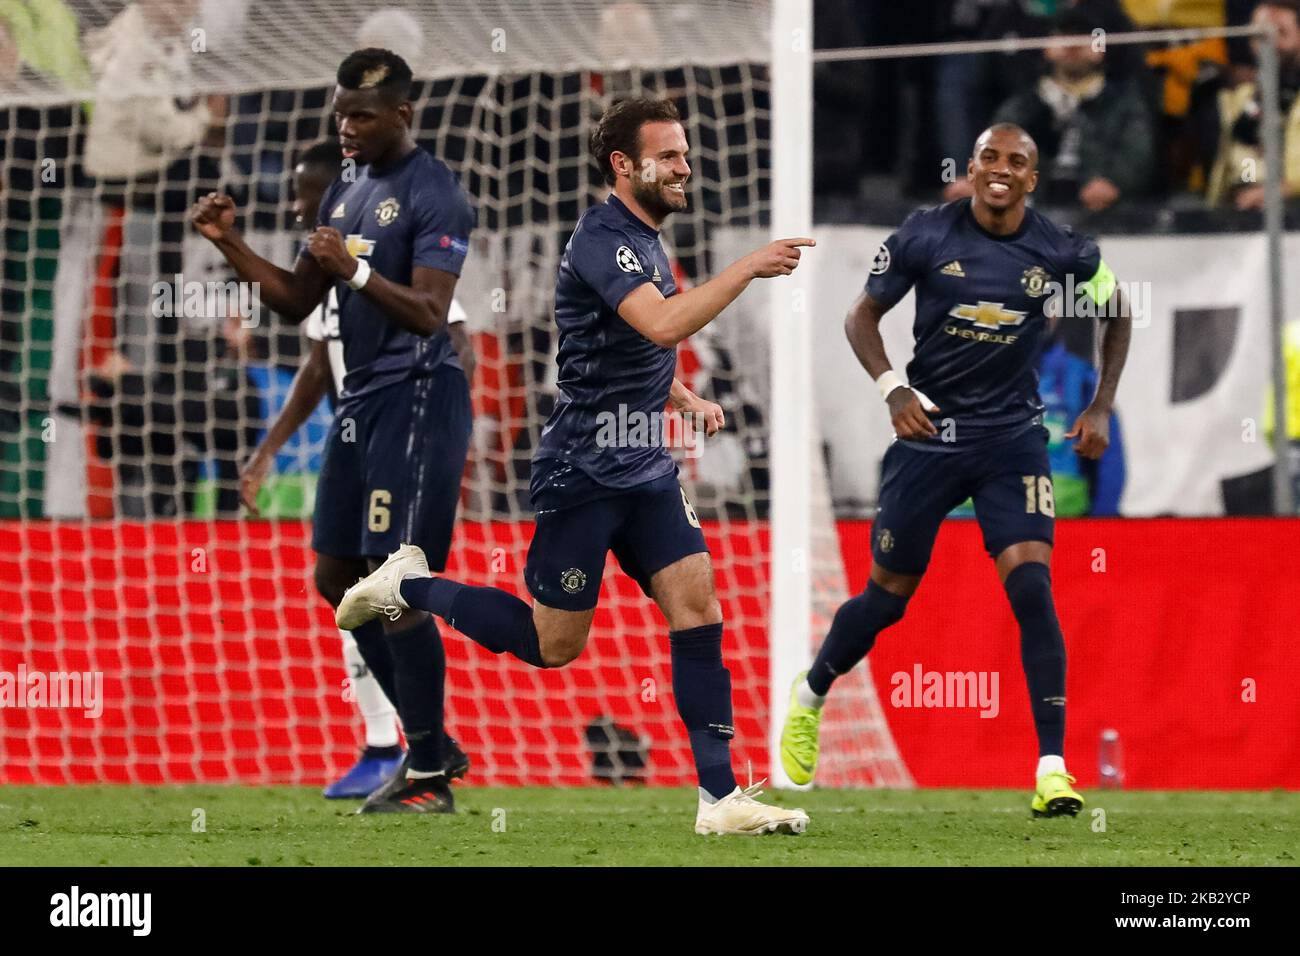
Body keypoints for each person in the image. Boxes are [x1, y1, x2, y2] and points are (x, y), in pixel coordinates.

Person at [337, 96, 813, 835]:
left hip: (647, 466)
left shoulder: (647, 238)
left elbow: (628, 339)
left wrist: (679, 393)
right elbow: (660, 321)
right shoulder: (604, 236)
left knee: (698, 605)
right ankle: (412, 582)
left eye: (686, 153)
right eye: (670, 156)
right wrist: (747, 267)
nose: (685, 166)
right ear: (625, 166)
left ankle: (720, 800)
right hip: (583, 471)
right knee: (552, 644)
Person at [779, 123, 1132, 818]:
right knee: (887, 599)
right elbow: (861, 317)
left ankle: (1053, 768)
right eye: (990, 158)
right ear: (971, 168)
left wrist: (1101, 406)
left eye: (1017, 162)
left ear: (1033, 179)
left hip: (1012, 441)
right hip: (928, 436)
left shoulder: (1061, 248)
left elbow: (1117, 310)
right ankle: (812, 692)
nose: (1001, 170)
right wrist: (893, 389)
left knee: (1032, 589)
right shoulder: (924, 235)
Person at [191, 48, 474, 813]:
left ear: (403, 115)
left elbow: (427, 311)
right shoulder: (344, 190)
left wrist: (352, 272)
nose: (346, 127)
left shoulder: (435, 193)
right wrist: (230, 244)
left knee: (394, 583)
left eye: (362, 116)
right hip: (360, 407)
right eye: (340, 113)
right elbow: (293, 301)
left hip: (417, 396)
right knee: (334, 578)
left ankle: (422, 773)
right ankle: (430, 745)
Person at [989, 10, 1155, 212]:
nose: (1073, 44)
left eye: (1084, 36)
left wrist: (1114, 183)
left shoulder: (1123, 101)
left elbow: (1138, 152)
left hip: (1106, 211)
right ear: (1047, 48)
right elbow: (997, 148)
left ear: (1101, 48)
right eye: (1063, 35)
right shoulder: (1024, 103)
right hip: (1035, 207)